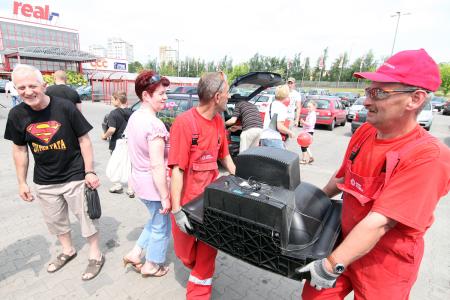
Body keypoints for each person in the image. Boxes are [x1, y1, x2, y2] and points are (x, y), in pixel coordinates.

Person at [299, 49, 450, 299]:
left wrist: (328, 267)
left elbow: (381, 222)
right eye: (368, 91)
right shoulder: (364, 133)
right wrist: (308, 203)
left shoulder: (430, 156)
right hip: (343, 241)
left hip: (386, 263)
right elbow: (343, 178)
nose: (367, 101)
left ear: (415, 99)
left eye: (379, 92)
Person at [4, 64, 104, 281]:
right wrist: (22, 182)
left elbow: (84, 140)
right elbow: (20, 150)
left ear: (44, 85)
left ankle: (95, 254)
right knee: (55, 221)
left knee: (86, 218)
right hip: (44, 181)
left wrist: (89, 171)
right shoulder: (16, 114)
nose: (27, 91)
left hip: (75, 175)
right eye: (21, 88)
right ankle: (68, 250)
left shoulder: (65, 107)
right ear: (15, 89)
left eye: (32, 85)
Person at [169, 71, 236, 299]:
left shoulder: (219, 122)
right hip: (186, 206)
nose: (230, 97)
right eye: (227, 93)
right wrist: (177, 211)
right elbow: (177, 170)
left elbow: (225, 156)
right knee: (185, 255)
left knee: (206, 257)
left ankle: (198, 293)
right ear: (217, 96)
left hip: (211, 205)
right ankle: (198, 272)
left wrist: (239, 180)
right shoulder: (184, 123)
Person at [122, 71, 172, 277]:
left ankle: (135, 253)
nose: (165, 97)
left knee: (153, 221)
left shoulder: (135, 117)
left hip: (139, 181)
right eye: (160, 93)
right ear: (145, 96)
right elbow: (157, 165)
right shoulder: (154, 124)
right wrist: (165, 196)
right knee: (162, 227)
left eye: (165, 93)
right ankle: (152, 265)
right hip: (154, 186)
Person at [101, 91, 134, 197]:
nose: (111, 101)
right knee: (130, 165)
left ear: (117, 100)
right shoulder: (133, 112)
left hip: (117, 143)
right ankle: (130, 188)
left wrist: (104, 136)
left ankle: (117, 185)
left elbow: (112, 129)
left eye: (112, 99)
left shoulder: (113, 113)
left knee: (116, 164)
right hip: (131, 143)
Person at [259, 84, 294, 149]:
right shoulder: (282, 107)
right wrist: (290, 132)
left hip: (264, 137)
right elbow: (280, 126)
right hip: (274, 138)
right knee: (282, 158)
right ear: (286, 95)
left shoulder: (271, 104)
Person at [299, 100, 317, 164]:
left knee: (303, 146)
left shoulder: (312, 114)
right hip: (307, 131)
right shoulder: (310, 114)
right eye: (307, 107)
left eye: (310, 107)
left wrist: (303, 122)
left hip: (309, 132)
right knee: (305, 145)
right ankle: (311, 157)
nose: (308, 108)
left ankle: (304, 160)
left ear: (314, 107)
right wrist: (303, 123)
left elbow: (310, 124)